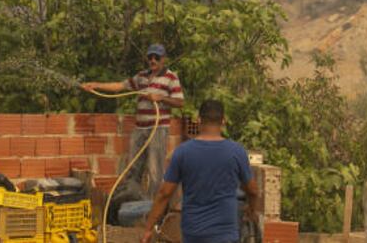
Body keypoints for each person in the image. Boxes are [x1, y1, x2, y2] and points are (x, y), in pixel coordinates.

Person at [140, 99, 258, 243]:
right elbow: (252, 191)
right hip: (225, 235)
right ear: (223, 121)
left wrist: (148, 229)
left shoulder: (182, 152)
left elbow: (165, 194)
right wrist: (251, 210)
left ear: (198, 120)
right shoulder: (237, 152)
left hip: (194, 234)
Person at [81, 43, 184, 196]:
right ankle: (132, 204)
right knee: (133, 167)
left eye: (157, 57)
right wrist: (95, 85)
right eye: (150, 57)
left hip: (158, 129)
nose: (153, 60)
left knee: (155, 170)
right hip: (140, 129)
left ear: (163, 59)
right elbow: (120, 86)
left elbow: (180, 102)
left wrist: (161, 97)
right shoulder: (141, 76)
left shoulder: (171, 77)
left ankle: (153, 209)